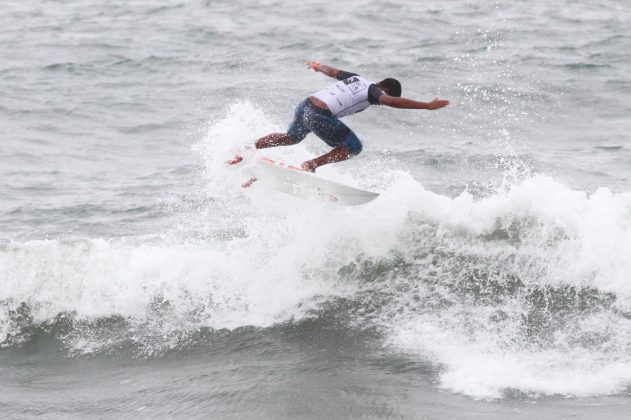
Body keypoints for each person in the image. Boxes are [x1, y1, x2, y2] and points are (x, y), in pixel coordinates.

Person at [231, 61, 449, 172]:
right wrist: (428, 106)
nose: (381, 101)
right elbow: (392, 101)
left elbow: (332, 71)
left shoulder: (356, 78)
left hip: (305, 105)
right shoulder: (374, 91)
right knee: (353, 147)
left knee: (291, 137)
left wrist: (317, 66)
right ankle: (311, 164)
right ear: (385, 89)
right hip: (319, 114)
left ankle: (248, 146)